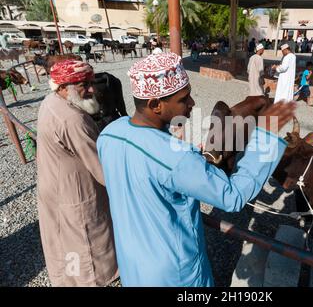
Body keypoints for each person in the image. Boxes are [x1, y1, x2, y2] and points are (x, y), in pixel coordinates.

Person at [96, 52, 297, 286]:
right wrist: (266, 134)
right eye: (184, 98)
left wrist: (190, 158)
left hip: (133, 262)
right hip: (174, 272)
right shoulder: (178, 158)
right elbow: (232, 197)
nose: (192, 103)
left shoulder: (111, 133)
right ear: (155, 104)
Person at [36, 60, 118, 287]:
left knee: (65, 240)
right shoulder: (73, 119)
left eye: (90, 82)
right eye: (84, 85)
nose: (91, 89)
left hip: (56, 186)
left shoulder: (50, 102)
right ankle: (95, 280)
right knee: (86, 242)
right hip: (76, 193)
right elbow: (101, 171)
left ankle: (70, 279)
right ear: (63, 87)